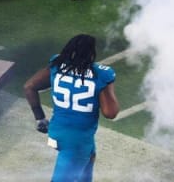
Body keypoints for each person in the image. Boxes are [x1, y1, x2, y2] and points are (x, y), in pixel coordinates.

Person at [23, 34, 119, 182]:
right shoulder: (101, 73)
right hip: (77, 140)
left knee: (90, 157)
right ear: (91, 53)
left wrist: (40, 119)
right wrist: (107, 87)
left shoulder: (57, 64)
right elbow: (110, 113)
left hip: (57, 130)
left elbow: (29, 86)